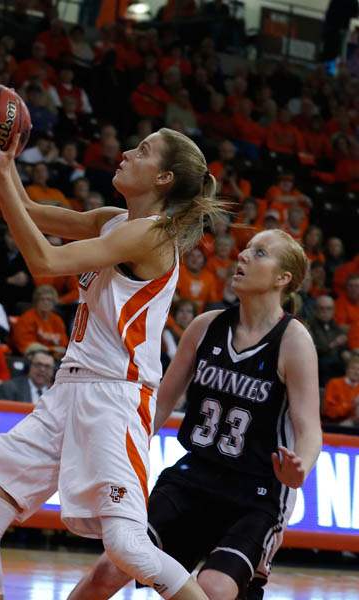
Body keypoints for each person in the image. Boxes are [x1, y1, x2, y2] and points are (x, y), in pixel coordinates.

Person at [0, 123, 226, 599]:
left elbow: (43, 262)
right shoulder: (114, 219)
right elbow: (33, 213)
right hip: (69, 391)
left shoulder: (154, 237)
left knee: (127, 547)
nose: (125, 152)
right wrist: (1, 163)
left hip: (115, 395)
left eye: (141, 151)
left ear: (163, 179)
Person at [68, 229, 322, 600]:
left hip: (257, 490)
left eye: (260, 253)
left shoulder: (293, 340)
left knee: (214, 589)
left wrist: (301, 466)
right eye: (246, 249)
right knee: (111, 568)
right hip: (194, 476)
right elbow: (158, 406)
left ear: (283, 278)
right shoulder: (206, 326)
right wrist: (114, 455)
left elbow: (309, 428)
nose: (244, 256)